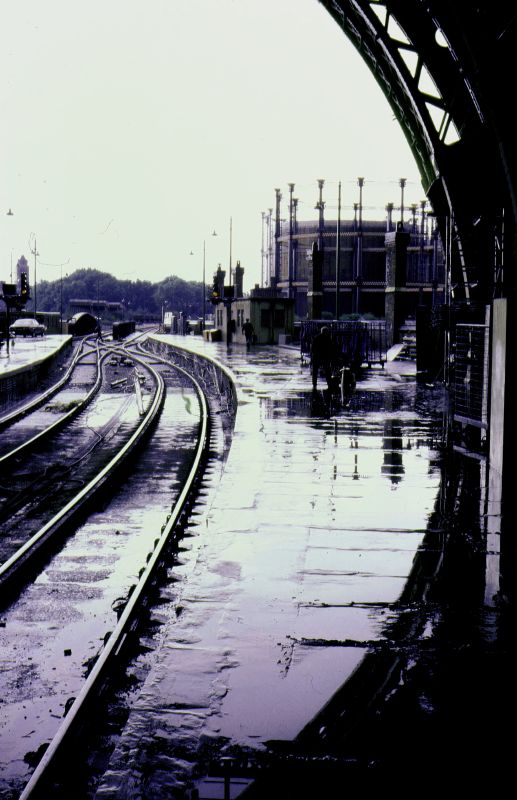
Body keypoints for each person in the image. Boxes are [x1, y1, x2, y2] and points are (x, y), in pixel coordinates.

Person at [310, 325, 333, 391]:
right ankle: (329, 383)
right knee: (327, 371)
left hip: (317, 357)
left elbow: (312, 348)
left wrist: (313, 356)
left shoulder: (316, 338)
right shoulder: (328, 338)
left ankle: (314, 384)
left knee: (315, 371)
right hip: (325, 357)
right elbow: (331, 348)